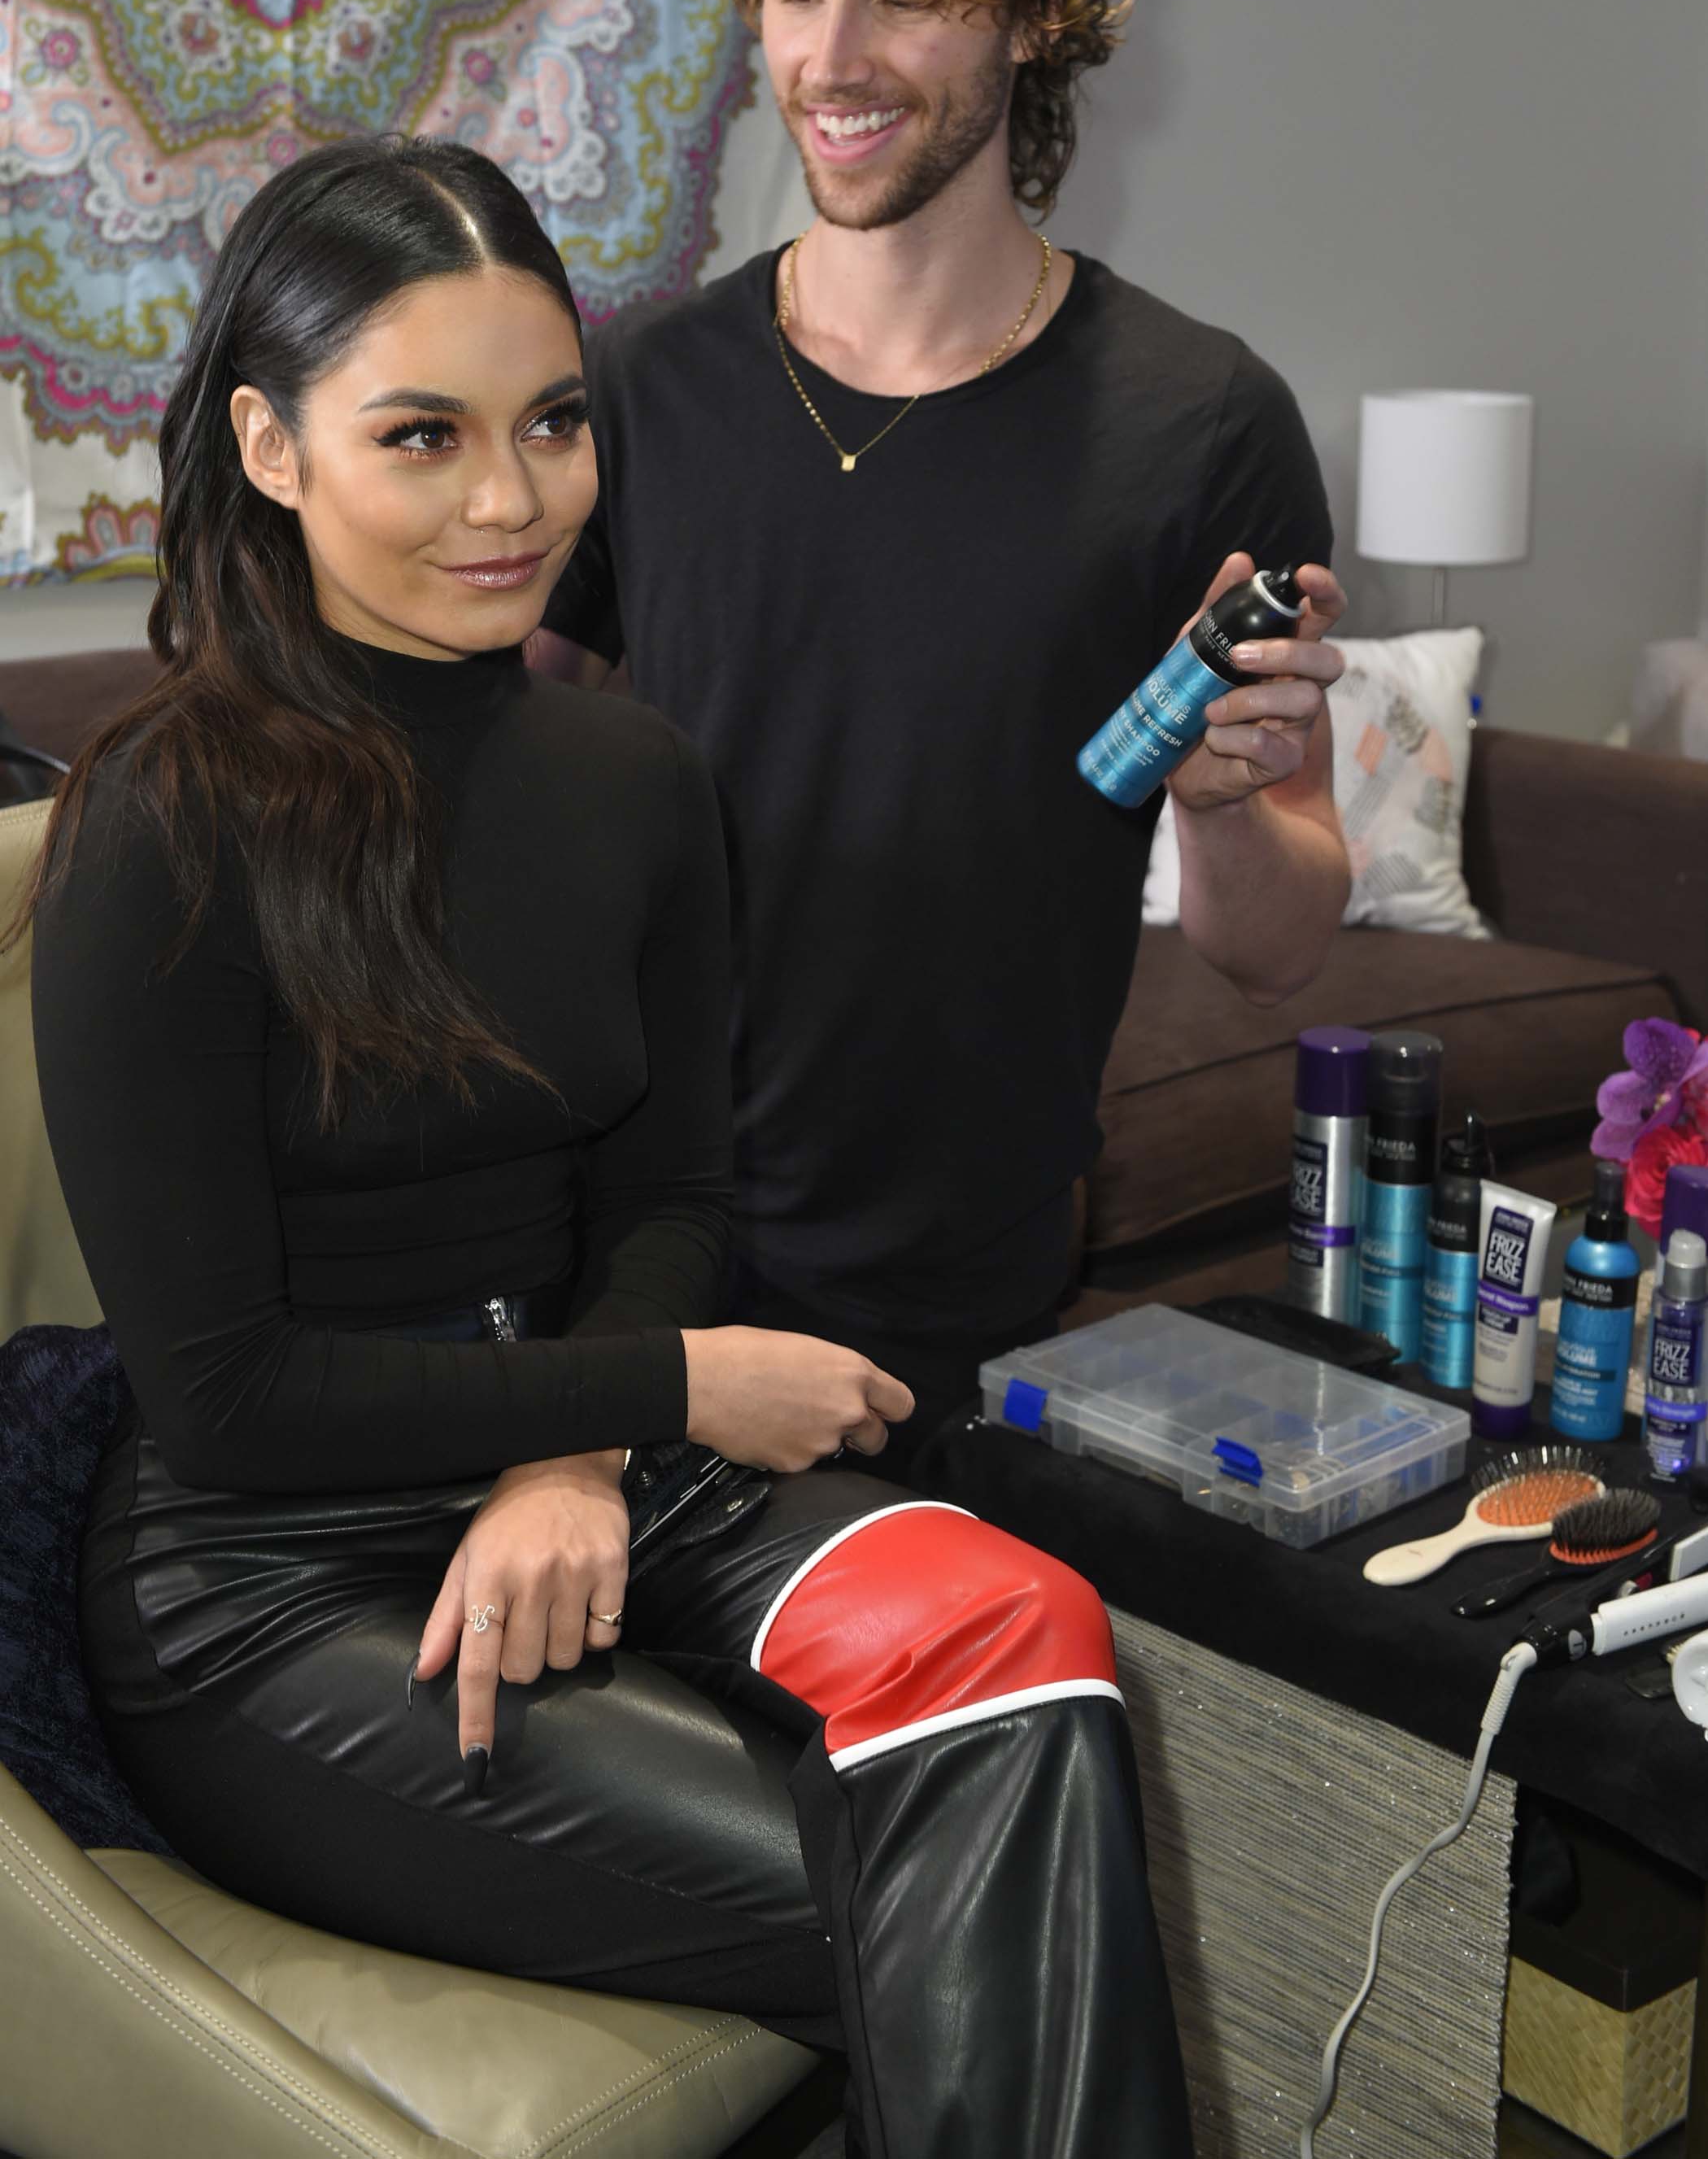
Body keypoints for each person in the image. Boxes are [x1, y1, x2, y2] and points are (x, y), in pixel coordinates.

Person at [27, 137, 1192, 2159]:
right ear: (271, 446)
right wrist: (664, 1388)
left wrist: (573, 1454)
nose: (513, 502)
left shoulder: (636, 778)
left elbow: (673, 1196)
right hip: (282, 1586)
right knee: (960, 1880)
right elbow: (223, 1403)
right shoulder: (160, 827)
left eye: (554, 423)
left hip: (600, 1473)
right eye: (423, 436)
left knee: (1025, 1653)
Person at [534, 0, 1353, 1473]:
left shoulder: (1200, 425)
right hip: (628, 1229)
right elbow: (483, 763)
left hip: (958, 1258)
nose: (830, 59)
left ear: (1032, 18)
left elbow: (1272, 943)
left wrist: (1218, 809)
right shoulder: (643, 389)